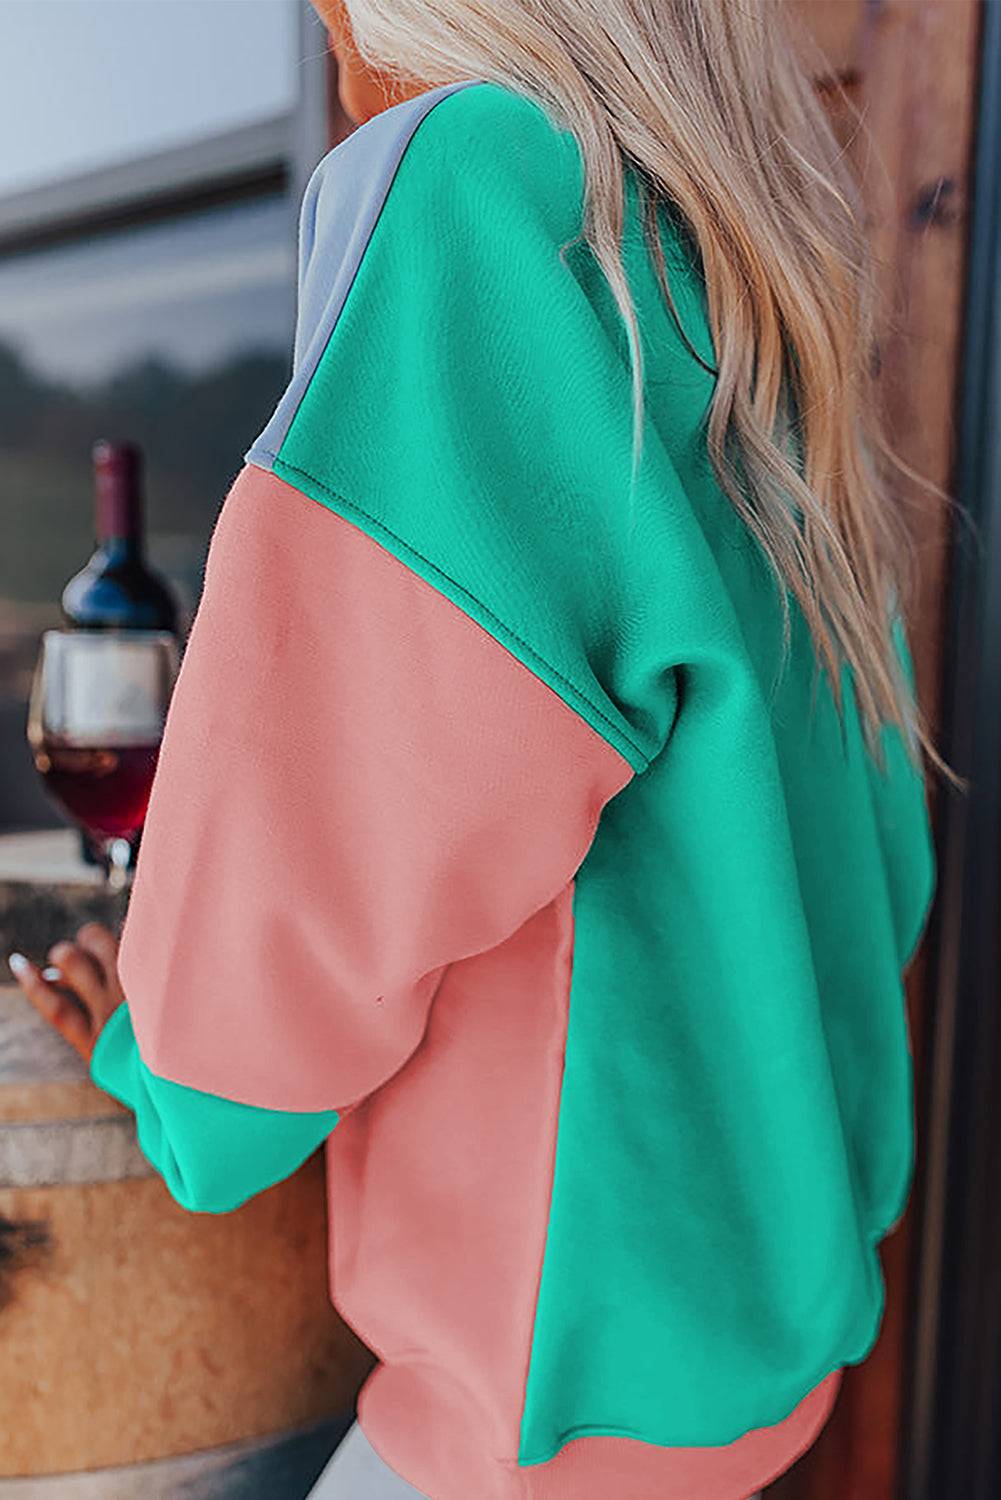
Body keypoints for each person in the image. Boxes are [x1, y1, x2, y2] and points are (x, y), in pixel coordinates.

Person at [8, 2, 946, 1497]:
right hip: (761, 1355)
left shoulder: (481, 191)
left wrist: (172, 1063)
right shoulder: (753, 287)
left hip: (531, 1412)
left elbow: (311, 852)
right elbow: (872, 853)